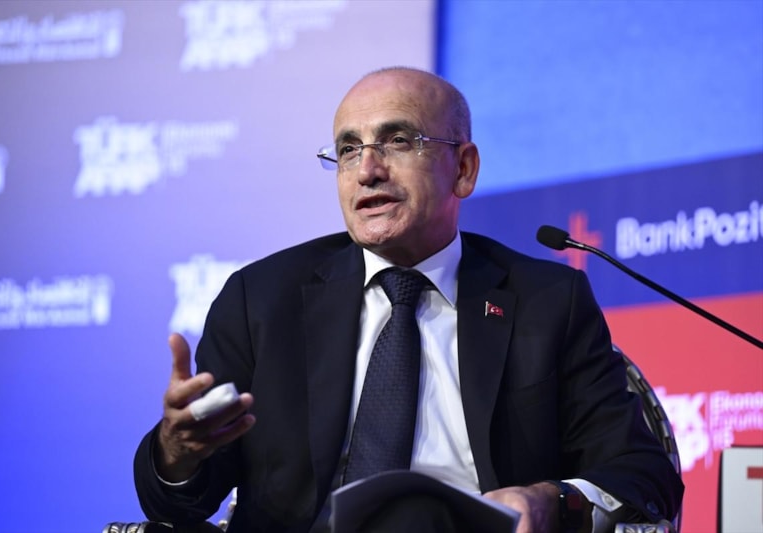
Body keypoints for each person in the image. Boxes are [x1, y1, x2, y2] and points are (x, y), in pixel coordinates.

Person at [134, 67, 683, 532]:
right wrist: (177, 452)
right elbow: (178, 504)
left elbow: (643, 472)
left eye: (398, 141)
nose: (367, 170)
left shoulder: (546, 301)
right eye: (348, 150)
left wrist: (551, 500)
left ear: (463, 169)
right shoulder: (262, 299)